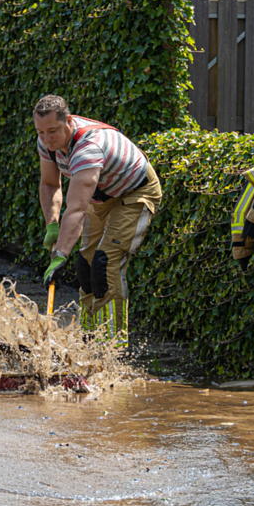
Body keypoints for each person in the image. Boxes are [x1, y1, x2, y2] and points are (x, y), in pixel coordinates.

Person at [34, 95, 161, 343]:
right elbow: (49, 184)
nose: (47, 138)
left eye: (52, 131)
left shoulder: (87, 149)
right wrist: (52, 225)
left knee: (105, 263)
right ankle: (90, 341)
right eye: (40, 132)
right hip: (100, 197)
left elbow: (77, 208)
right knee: (86, 265)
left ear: (68, 121)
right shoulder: (47, 143)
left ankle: (112, 349)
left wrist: (60, 255)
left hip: (134, 193)